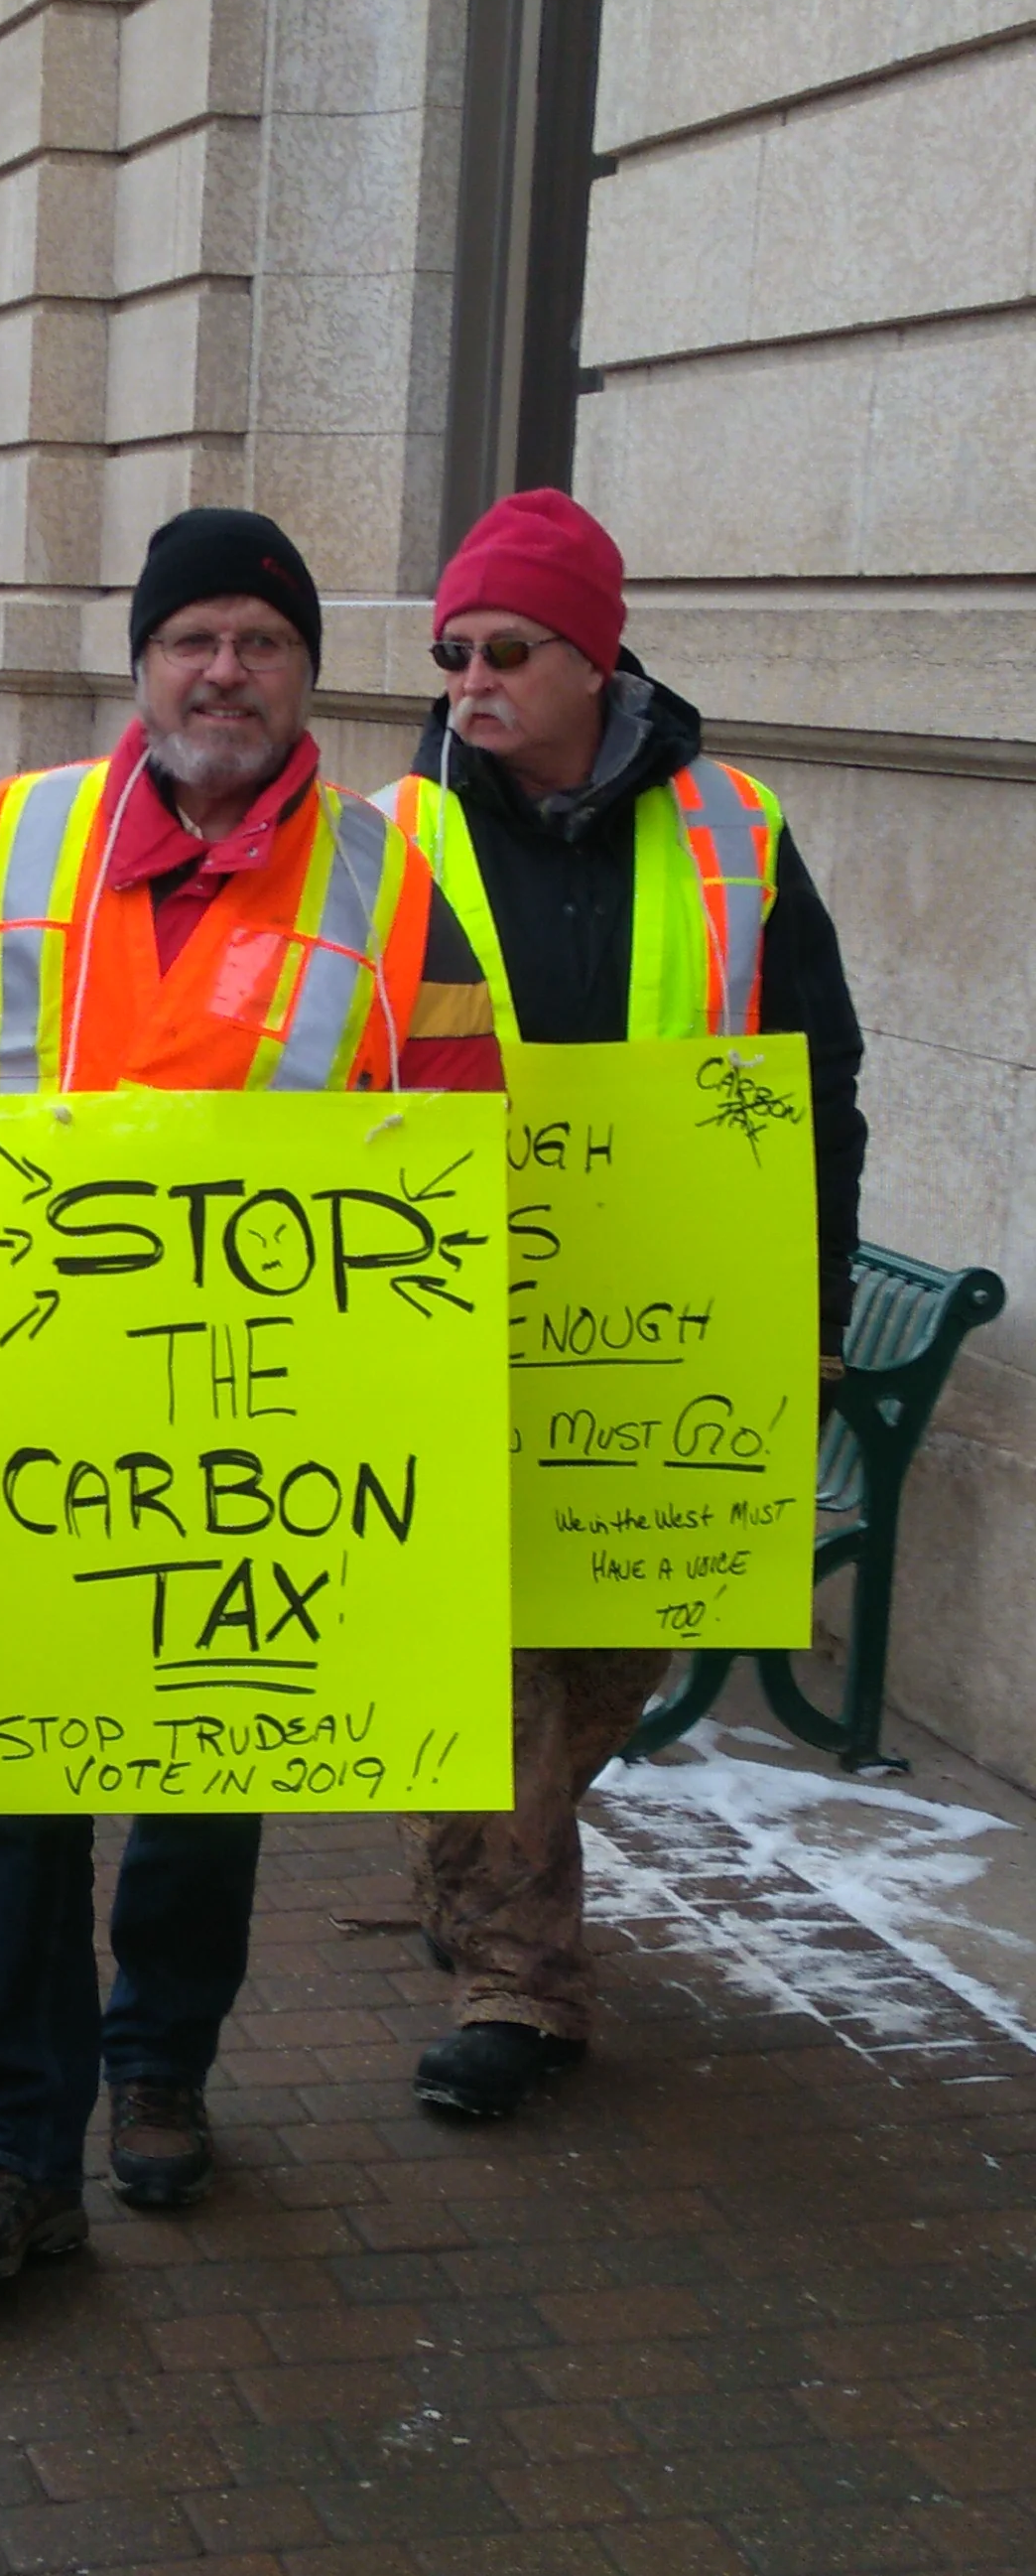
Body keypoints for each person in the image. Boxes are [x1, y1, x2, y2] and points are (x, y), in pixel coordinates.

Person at [0, 507, 501, 2286]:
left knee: (212, 1784)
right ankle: (12, 2148)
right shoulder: (1, 843)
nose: (226, 671)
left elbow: (453, 1134)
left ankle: (163, 2075)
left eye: (263, 643)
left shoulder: (395, 883)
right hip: (36, 1421)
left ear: (306, 676)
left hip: (259, 1446)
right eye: (195, 636)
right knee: (19, 1802)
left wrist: (421, 1401)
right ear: (143, 662)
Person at [376, 485, 866, 2122]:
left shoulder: (736, 829)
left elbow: (824, 1078)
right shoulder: (394, 839)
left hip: (675, 1331)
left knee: (608, 1663)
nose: (470, 679)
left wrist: (812, 1303)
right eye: (451, 652)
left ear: (594, 656)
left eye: (505, 647)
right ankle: (523, 1985)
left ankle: (472, 1875)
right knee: (492, 1654)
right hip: (464, 1309)